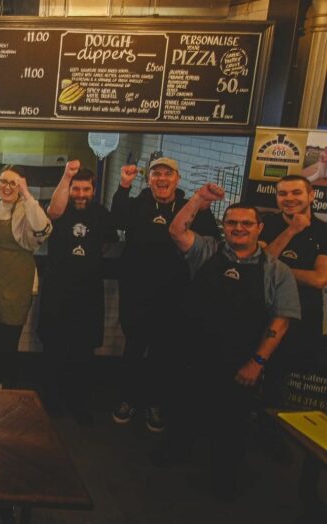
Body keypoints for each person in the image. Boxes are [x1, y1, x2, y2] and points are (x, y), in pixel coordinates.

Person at [166, 185, 300, 498]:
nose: (238, 228)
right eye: (231, 223)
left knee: (232, 423)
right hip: (195, 354)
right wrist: (199, 200)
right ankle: (175, 451)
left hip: (241, 361)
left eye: (245, 224)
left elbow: (281, 322)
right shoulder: (208, 250)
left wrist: (257, 362)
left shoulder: (276, 271)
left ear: (259, 229)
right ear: (224, 226)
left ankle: (224, 477)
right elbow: (177, 229)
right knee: (184, 408)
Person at [111, 157, 219, 432]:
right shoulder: (138, 203)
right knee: (134, 348)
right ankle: (127, 399)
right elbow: (117, 220)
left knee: (164, 352)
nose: (161, 179)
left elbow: (211, 242)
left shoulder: (189, 207)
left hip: (175, 295)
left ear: (177, 179)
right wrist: (123, 185)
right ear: (148, 179)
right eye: (156, 174)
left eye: (167, 174)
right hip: (136, 293)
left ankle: (155, 404)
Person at [38, 161, 118, 422]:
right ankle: (50, 403)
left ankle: (79, 404)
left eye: (86, 189)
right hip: (57, 291)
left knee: (83, 352)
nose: (80, 194)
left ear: (93, 190)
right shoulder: (61, 211)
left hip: (88, 293)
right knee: (54, 349)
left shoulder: (101, 214)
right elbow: (53, 210)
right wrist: (66, 175)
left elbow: (107, 244)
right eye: (76, 189)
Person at [0, 165, 51, 388]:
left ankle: (7, 385)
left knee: (10, 336)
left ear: (22, 185)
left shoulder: (28, 209)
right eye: (3, 181)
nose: (7, 187)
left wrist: (27, 195)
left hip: (18, 278)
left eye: (13, 183)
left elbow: (44, 229)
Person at [260, 174, 327, 403]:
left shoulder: (323, 231)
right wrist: (291, 231)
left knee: (288, 391)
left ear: (311, 195)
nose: (289, 198)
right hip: (264, 315)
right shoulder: (266, 223)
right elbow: (260, 266)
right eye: (283, 193)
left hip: (303, 320)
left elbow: (319, 279)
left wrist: (278, 270)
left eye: (296, 192)